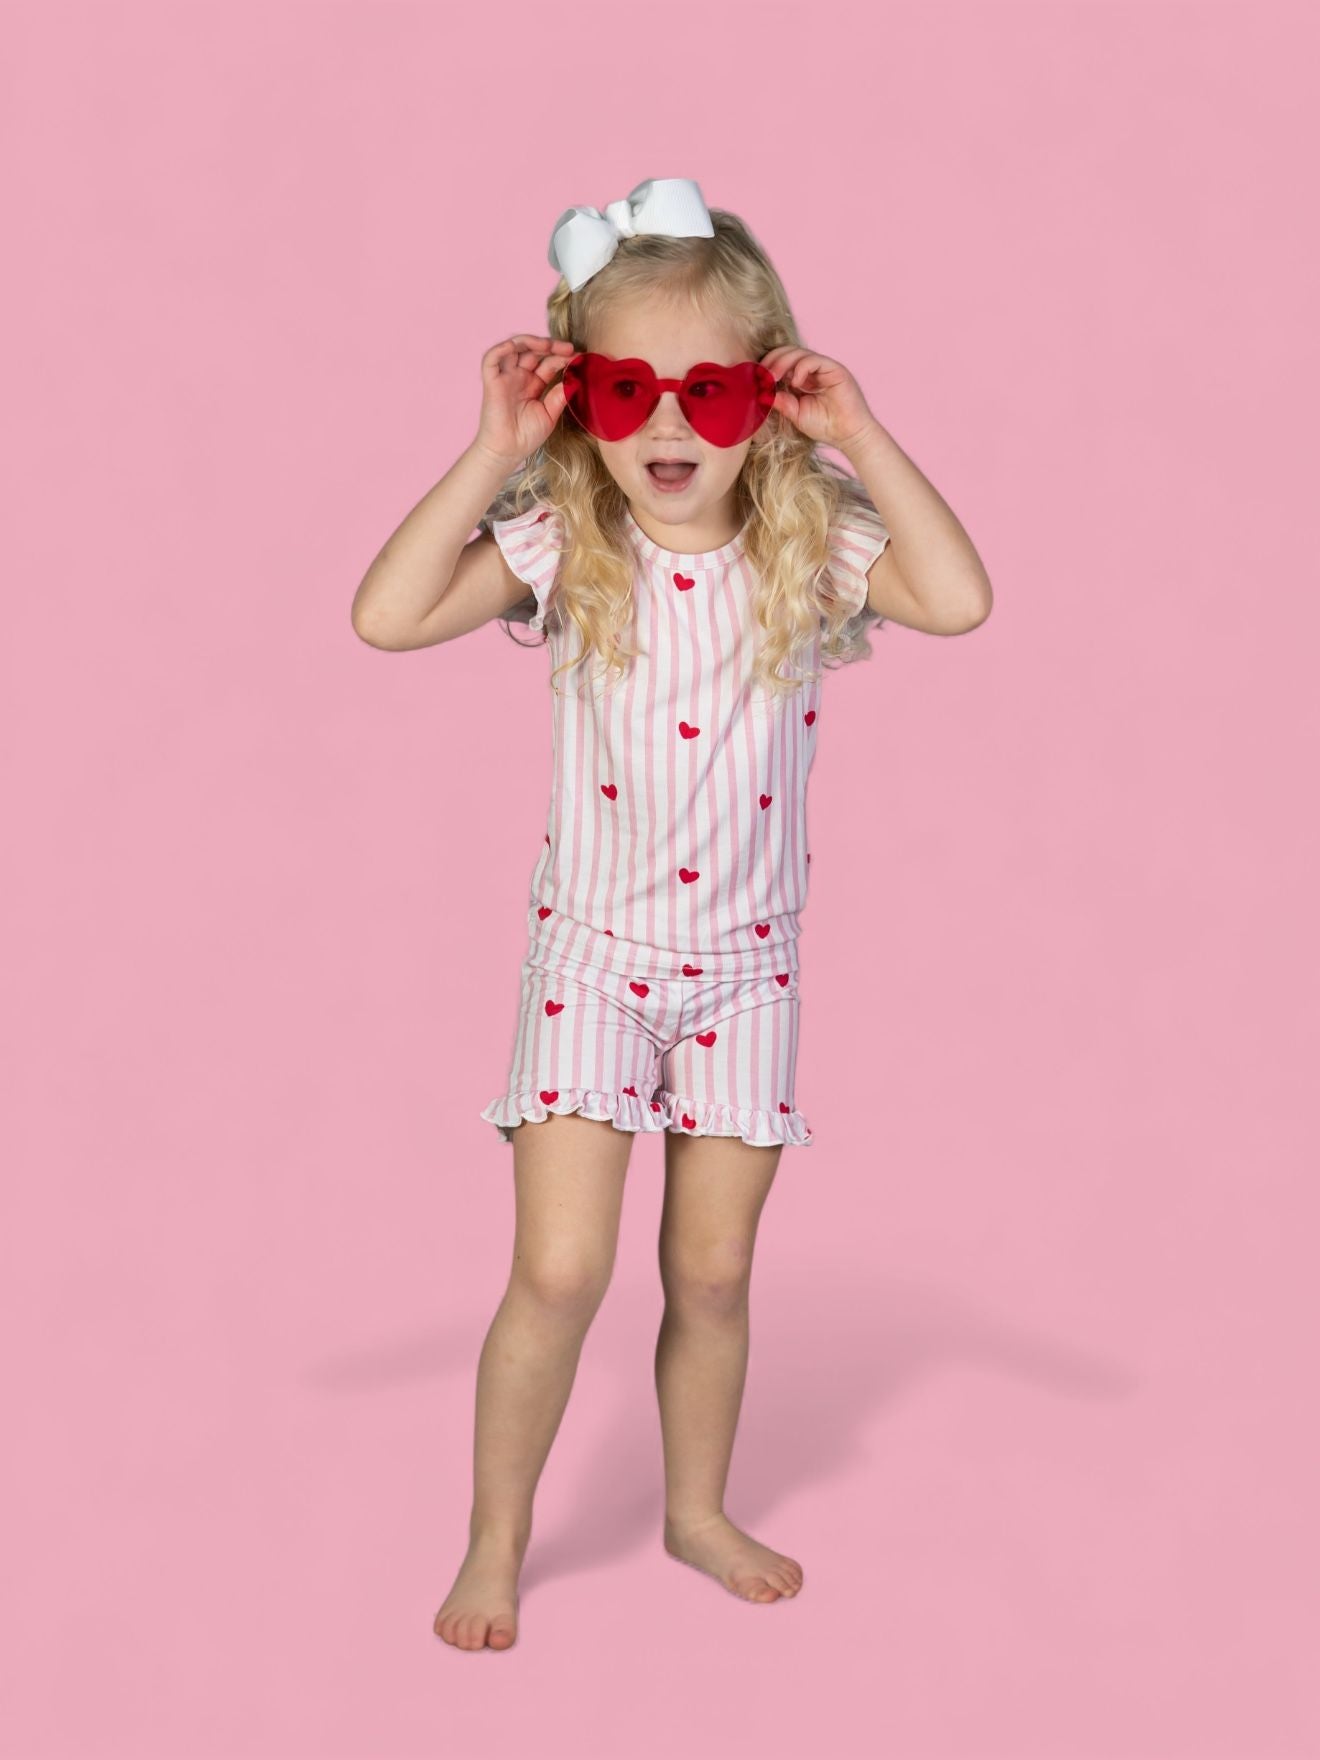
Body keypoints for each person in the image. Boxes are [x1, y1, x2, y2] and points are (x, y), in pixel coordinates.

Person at [351, 177, 993, 1653]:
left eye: (708, 392)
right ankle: (495, 1540)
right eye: (628, 390)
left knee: (711, 1272)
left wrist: (859, 433)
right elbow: (385, 617)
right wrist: (493, 449)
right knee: (560, 1270)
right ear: (582, 401)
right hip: (591, 962)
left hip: (746, 973)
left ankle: (695, 1511)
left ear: (765, 398)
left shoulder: (806, 547)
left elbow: (958, 599)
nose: (667, 427)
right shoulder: (567, 544)